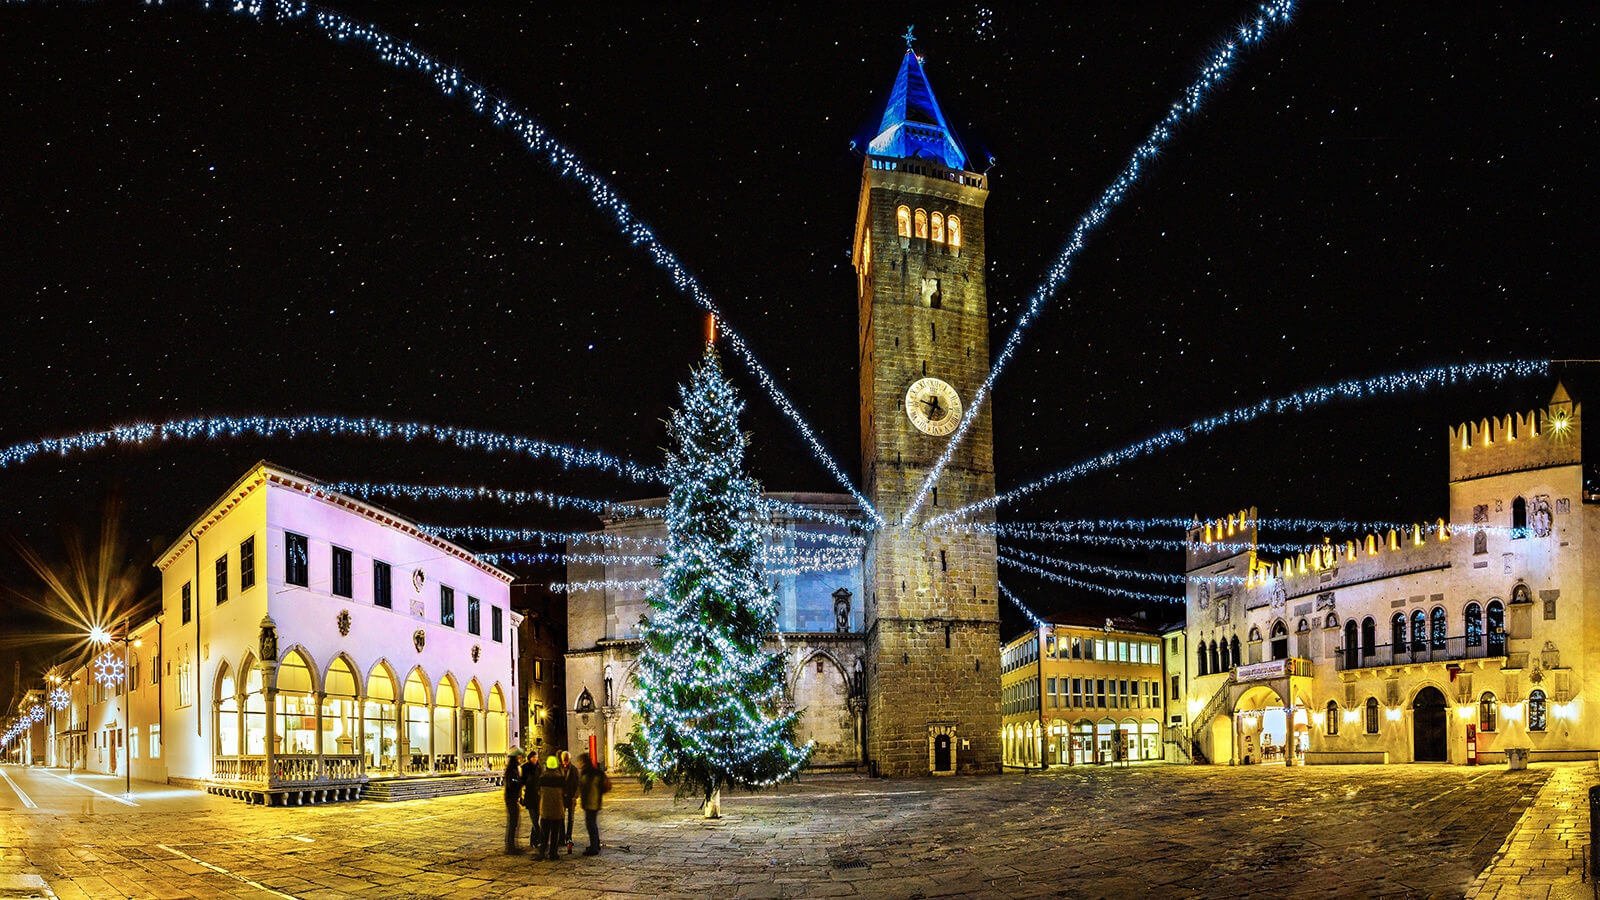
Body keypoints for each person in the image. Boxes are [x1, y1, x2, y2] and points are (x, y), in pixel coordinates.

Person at [577, 751, 610, 856]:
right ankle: (595, 844)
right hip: (595, 801)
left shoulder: (587, 773)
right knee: (592, 824)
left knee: (590, 825)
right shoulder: (596, 771)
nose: (579, 764)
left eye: (580, 762)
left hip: (590, 802)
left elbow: (584, 787)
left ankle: (594, 847)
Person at [537, 755, 566, 861]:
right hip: (557, 810)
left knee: (544, 833)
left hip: (545, 810)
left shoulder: (542, 778)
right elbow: (565, 793)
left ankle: (541, 852)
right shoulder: (560, 778)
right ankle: (553, 853)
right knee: (555, 833)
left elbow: (538, 792)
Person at [503, 747, 525, 854]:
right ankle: (510, 847)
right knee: (513, 822)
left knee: (515, 822)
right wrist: (520, 782)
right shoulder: (511, 770)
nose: (520, 759)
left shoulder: (514, 769)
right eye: (519, 757)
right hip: (511, 799)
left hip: (513, 798)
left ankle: (512, 845)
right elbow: (513, 783)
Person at [520, 751, 543, 852]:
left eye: (536, 757)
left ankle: (533, 841)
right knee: (535, 822)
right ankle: (539, 839)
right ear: (530, 758)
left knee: (536, 820)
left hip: (538, 798)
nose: (535, 759)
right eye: (533, 757)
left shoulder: (539, 768)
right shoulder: (525, 768)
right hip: (529, 797)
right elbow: (521, 782)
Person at [559, 750, 579, 854]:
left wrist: (575, 796)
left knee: (570, 818)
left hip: (571, 798)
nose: (565, 763)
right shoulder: (559, 769)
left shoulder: (574, 770)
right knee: (561, 818)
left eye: (566, 761)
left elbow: (577, 784)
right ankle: (561, 837)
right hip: (562, 798)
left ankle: (569, 837)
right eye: (564, 761)